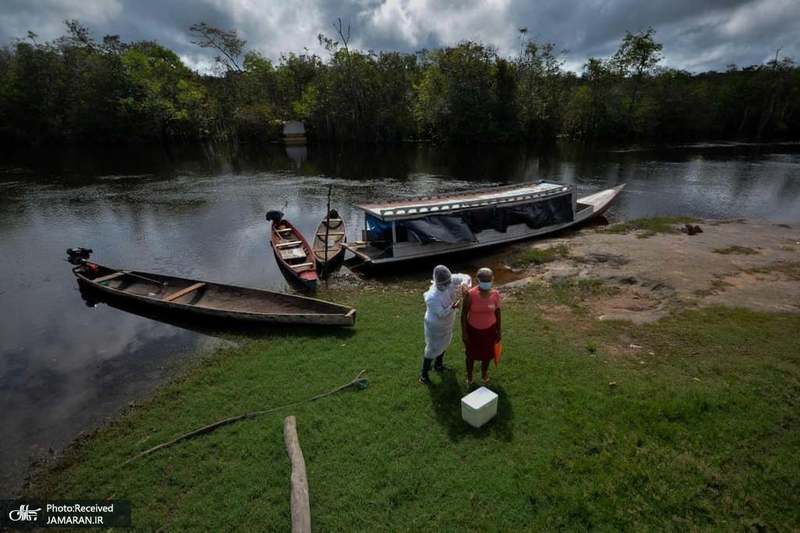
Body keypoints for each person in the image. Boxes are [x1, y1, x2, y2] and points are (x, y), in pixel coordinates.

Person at [420, 265, 472, 385]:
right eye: (446, 284)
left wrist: (464, 284)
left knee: (445, 343)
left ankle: (439, 365)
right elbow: (441, 313)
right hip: (435, 325)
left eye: (449, 282)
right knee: (432, 348)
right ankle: (424, 374)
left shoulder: (450, 280)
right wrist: (454, 306)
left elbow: (466, 277)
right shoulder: (432, 297)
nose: (449, 285)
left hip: (447, 323)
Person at [462, 267, 501, 386]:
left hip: (490, 330)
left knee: (487, 355)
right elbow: (463, 315)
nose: (486, 281)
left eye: (488, 279)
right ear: (477, 280)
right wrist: (464, 333)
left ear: (492, 279)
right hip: (473, 331)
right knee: (470, 355)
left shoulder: (495, 294)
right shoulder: (470, 295)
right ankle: (469, 376)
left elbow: (498, 312)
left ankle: (484, 374)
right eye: (484, 279)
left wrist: (499, 330)